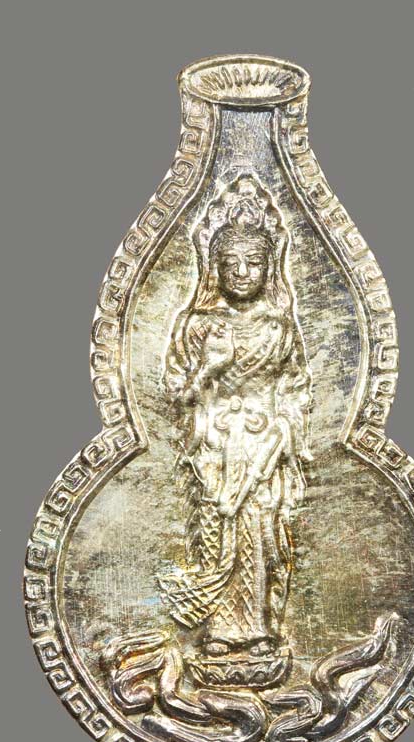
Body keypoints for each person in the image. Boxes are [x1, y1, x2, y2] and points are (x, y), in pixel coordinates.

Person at [160, 176, 312, 660]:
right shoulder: (196, 325)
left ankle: (261, 628)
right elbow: (177, 395)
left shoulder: (280, 327)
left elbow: (297, 391)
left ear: (270, 268)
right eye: (231, 264)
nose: (243, 273)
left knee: (263, 536)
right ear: (215, 269)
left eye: (254, 263)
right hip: (214, 448)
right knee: (216, 534)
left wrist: (280, 435)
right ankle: (219, 630)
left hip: (264, 451)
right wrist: (209, 368)